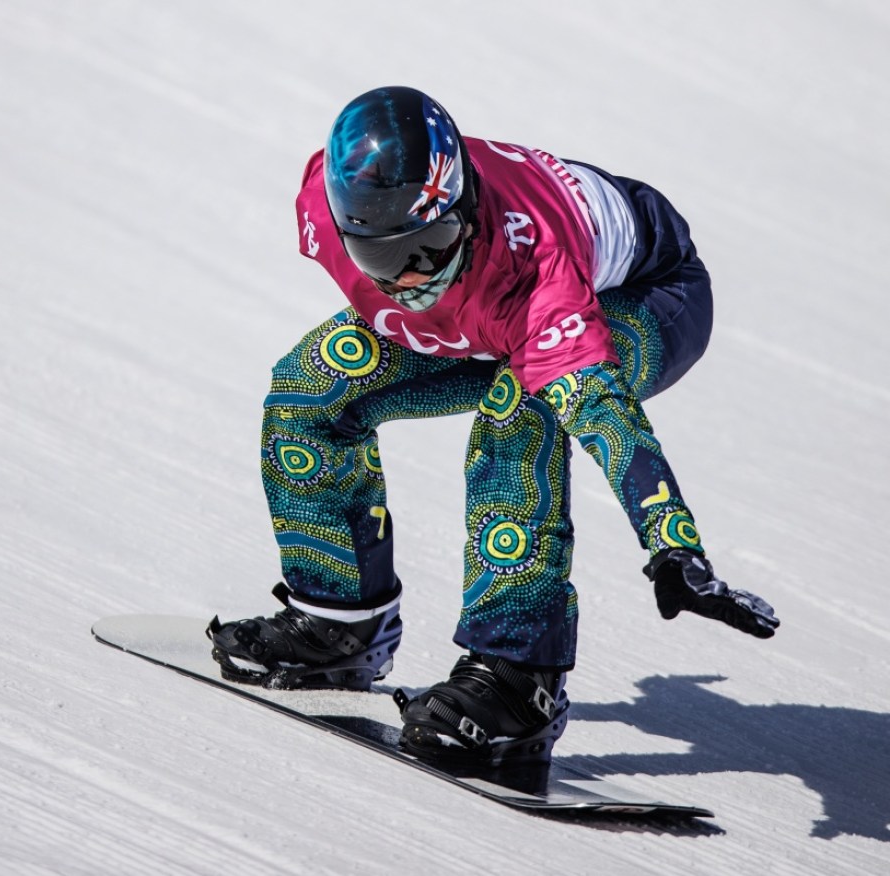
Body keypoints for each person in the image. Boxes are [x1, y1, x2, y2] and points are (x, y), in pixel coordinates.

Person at [208, 86, 779, 767]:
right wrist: (419, 256)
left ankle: (517, 684)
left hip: (646, 296)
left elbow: (602, 414)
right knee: (309, 390)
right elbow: (405, 258)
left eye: (431, 244)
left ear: (467, 210)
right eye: (382, 258)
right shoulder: (327, 206)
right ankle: (339, 623)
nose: (411, 278)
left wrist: (672, 545)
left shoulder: (537, 272)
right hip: (488, 312)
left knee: (521, 414)